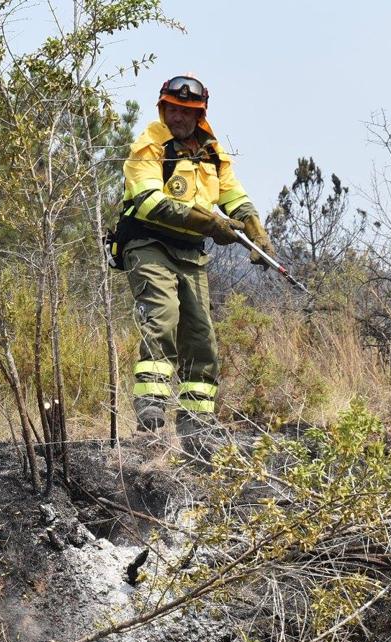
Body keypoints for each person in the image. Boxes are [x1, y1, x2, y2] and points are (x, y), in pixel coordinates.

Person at [118, 73, 276, 452]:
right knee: (163, 316)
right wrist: (209, 222)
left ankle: (197, 426)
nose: (178, 118)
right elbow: (149, 202)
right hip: (148, 243)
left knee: (201, 336)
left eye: (187, 112)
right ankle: (151, 419)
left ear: (200, 114)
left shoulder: (212, 152)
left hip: (191, 251)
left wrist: (254, 226)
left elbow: (233, 194)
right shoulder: (149, 146)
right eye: (172, 109)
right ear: (162, 108)